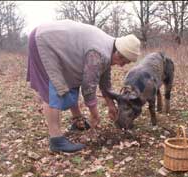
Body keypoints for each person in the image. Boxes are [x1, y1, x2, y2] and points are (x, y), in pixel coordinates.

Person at [27, 19, 141, 153]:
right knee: (54, 88)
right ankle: (56, 140)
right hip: (44, 41)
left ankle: (78, 121)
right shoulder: (98, 52)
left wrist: (110, 104)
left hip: (56, 42)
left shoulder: (109, 47)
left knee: (71, 81)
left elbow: (105, 81)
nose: (122, 66)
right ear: (119, 54)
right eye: (124, 62)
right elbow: (88, 87)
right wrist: (95, 114)